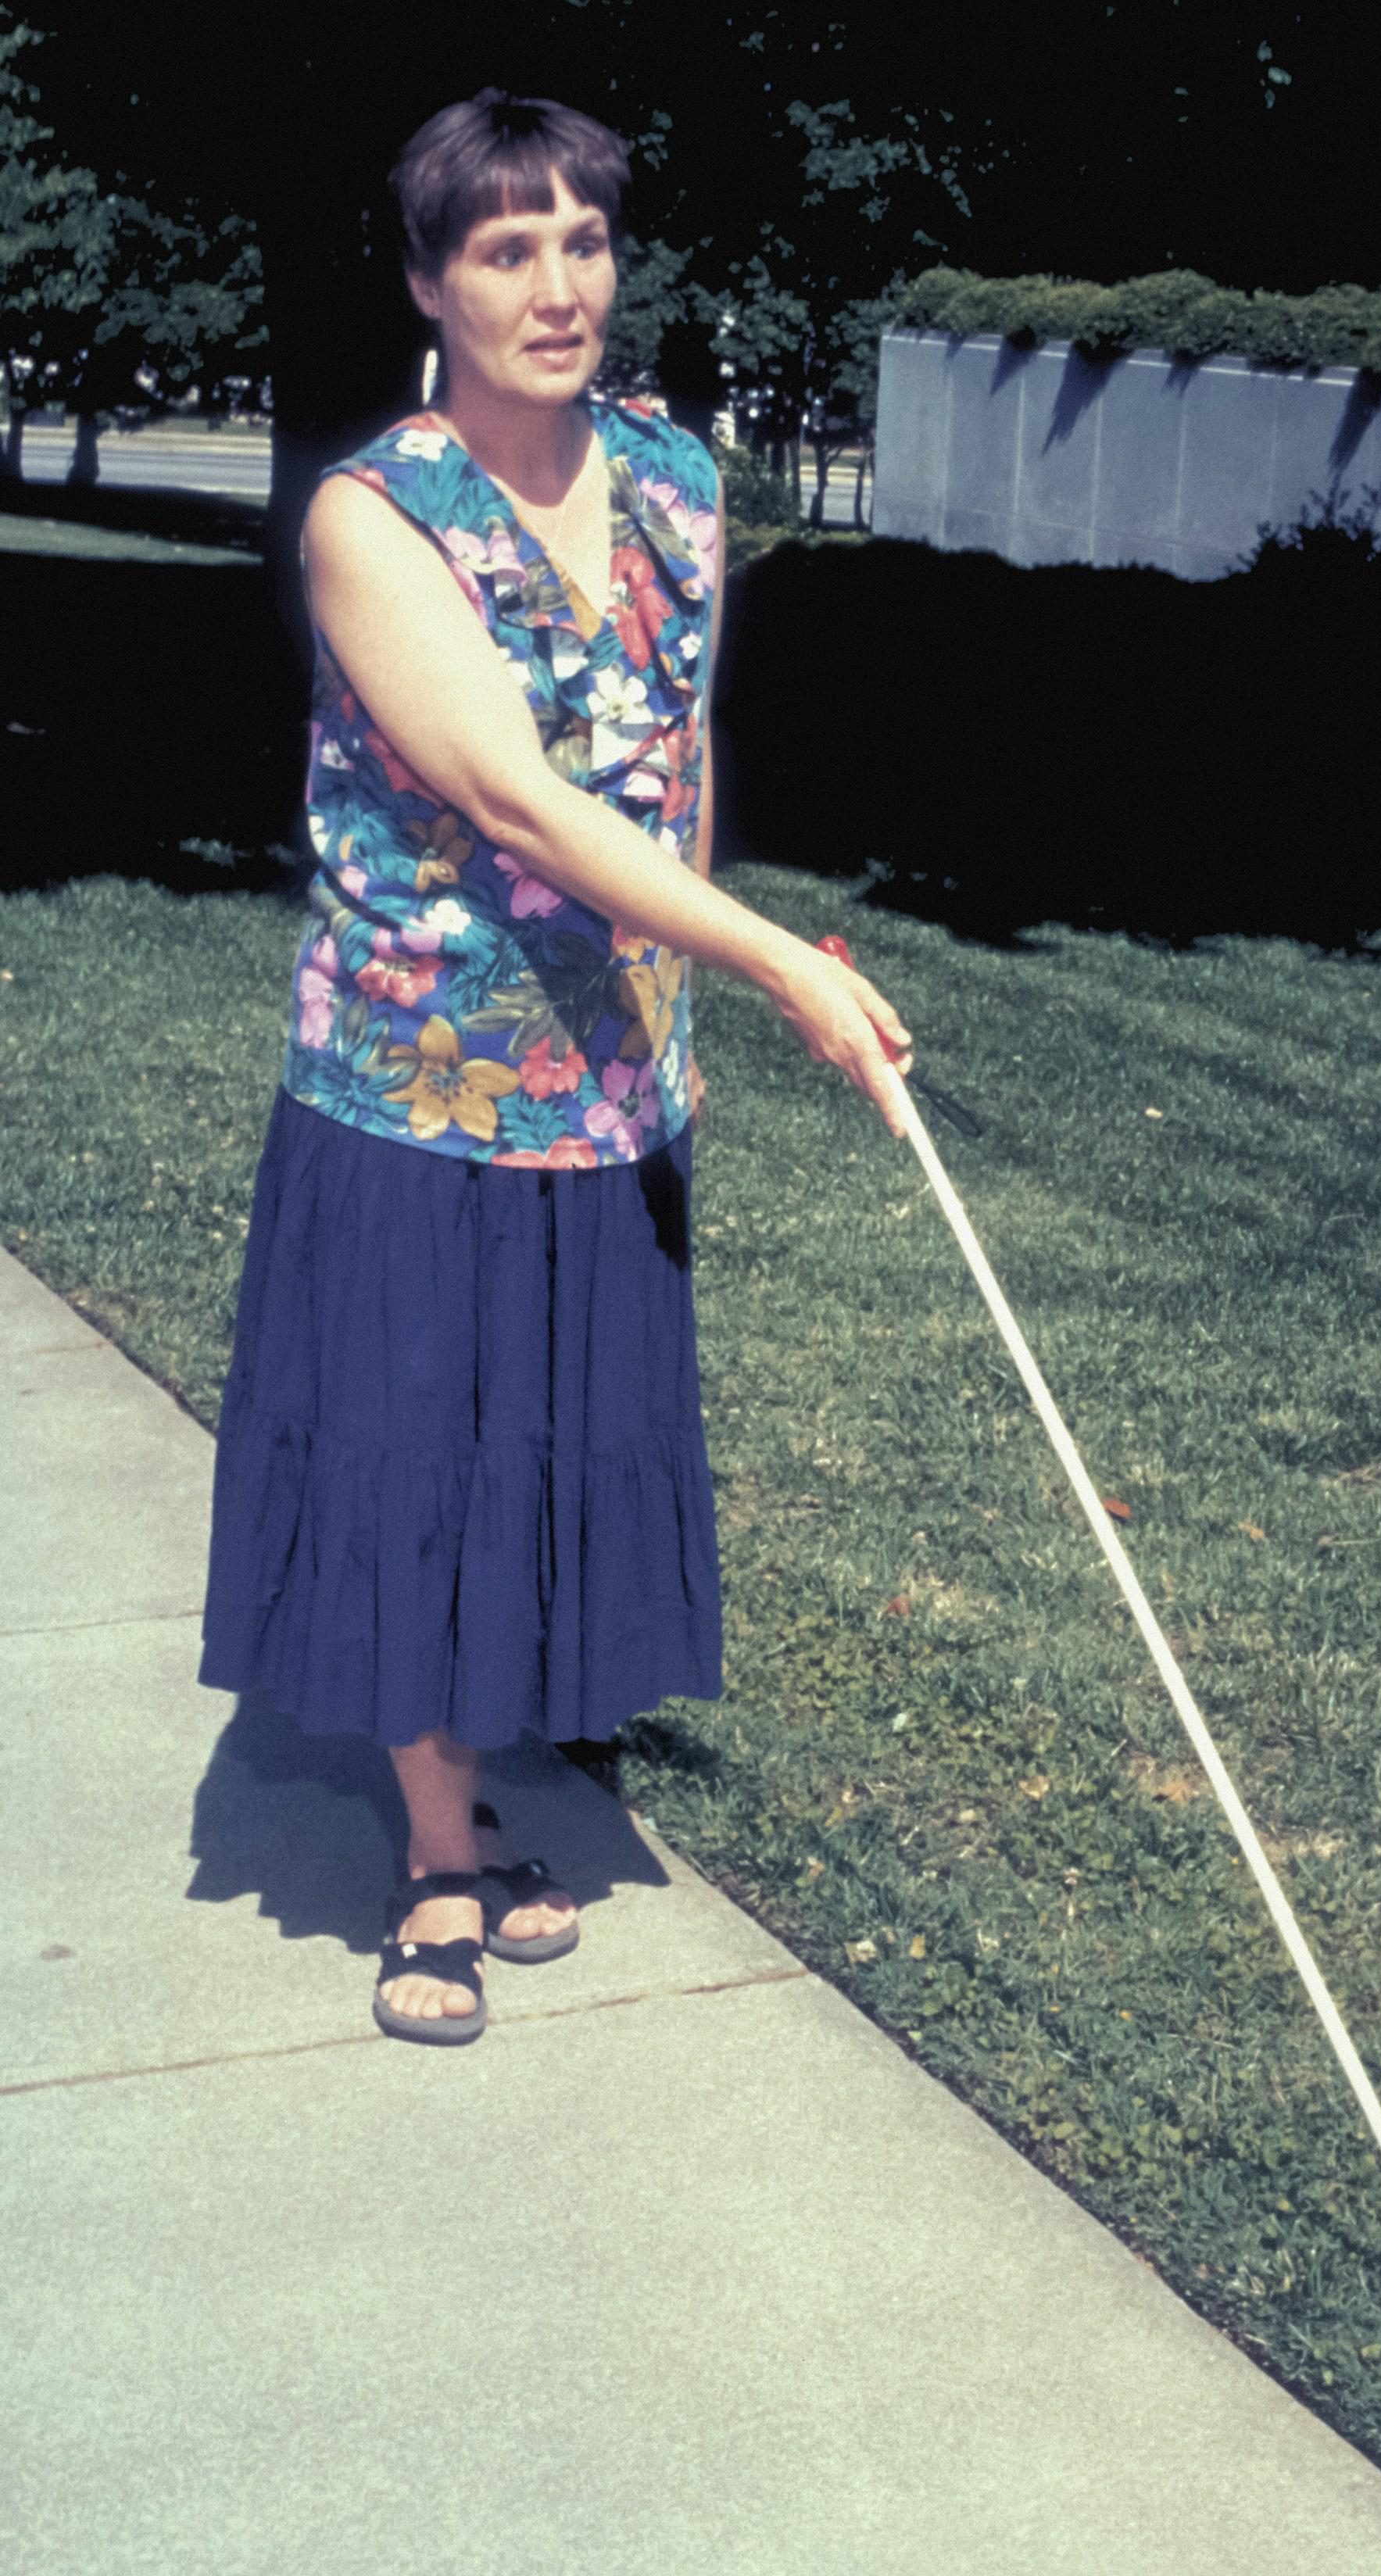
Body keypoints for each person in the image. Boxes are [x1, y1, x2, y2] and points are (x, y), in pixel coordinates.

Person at [197, 86, 913, 2046]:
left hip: (610, 1081)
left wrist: (694, 977)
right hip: (414, 1085)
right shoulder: (374, 519)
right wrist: (783, 962)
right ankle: (439, 1848)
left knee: (540, 1454)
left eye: (583, 239)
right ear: (428, 281)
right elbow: (515, 797)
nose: (557, 284)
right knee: (420, 1458)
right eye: (506, 248)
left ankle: (487, 1765)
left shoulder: (673, 476)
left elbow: (671, 750)